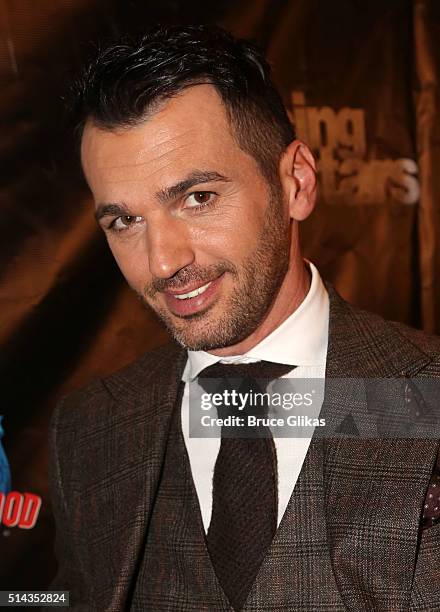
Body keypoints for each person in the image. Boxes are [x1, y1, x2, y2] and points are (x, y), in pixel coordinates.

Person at [47, 24, 440, 611]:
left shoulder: (426, 392)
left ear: (296, 183)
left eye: (198, 197)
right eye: (124, 222)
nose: (164, 261)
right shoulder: (88, 433)